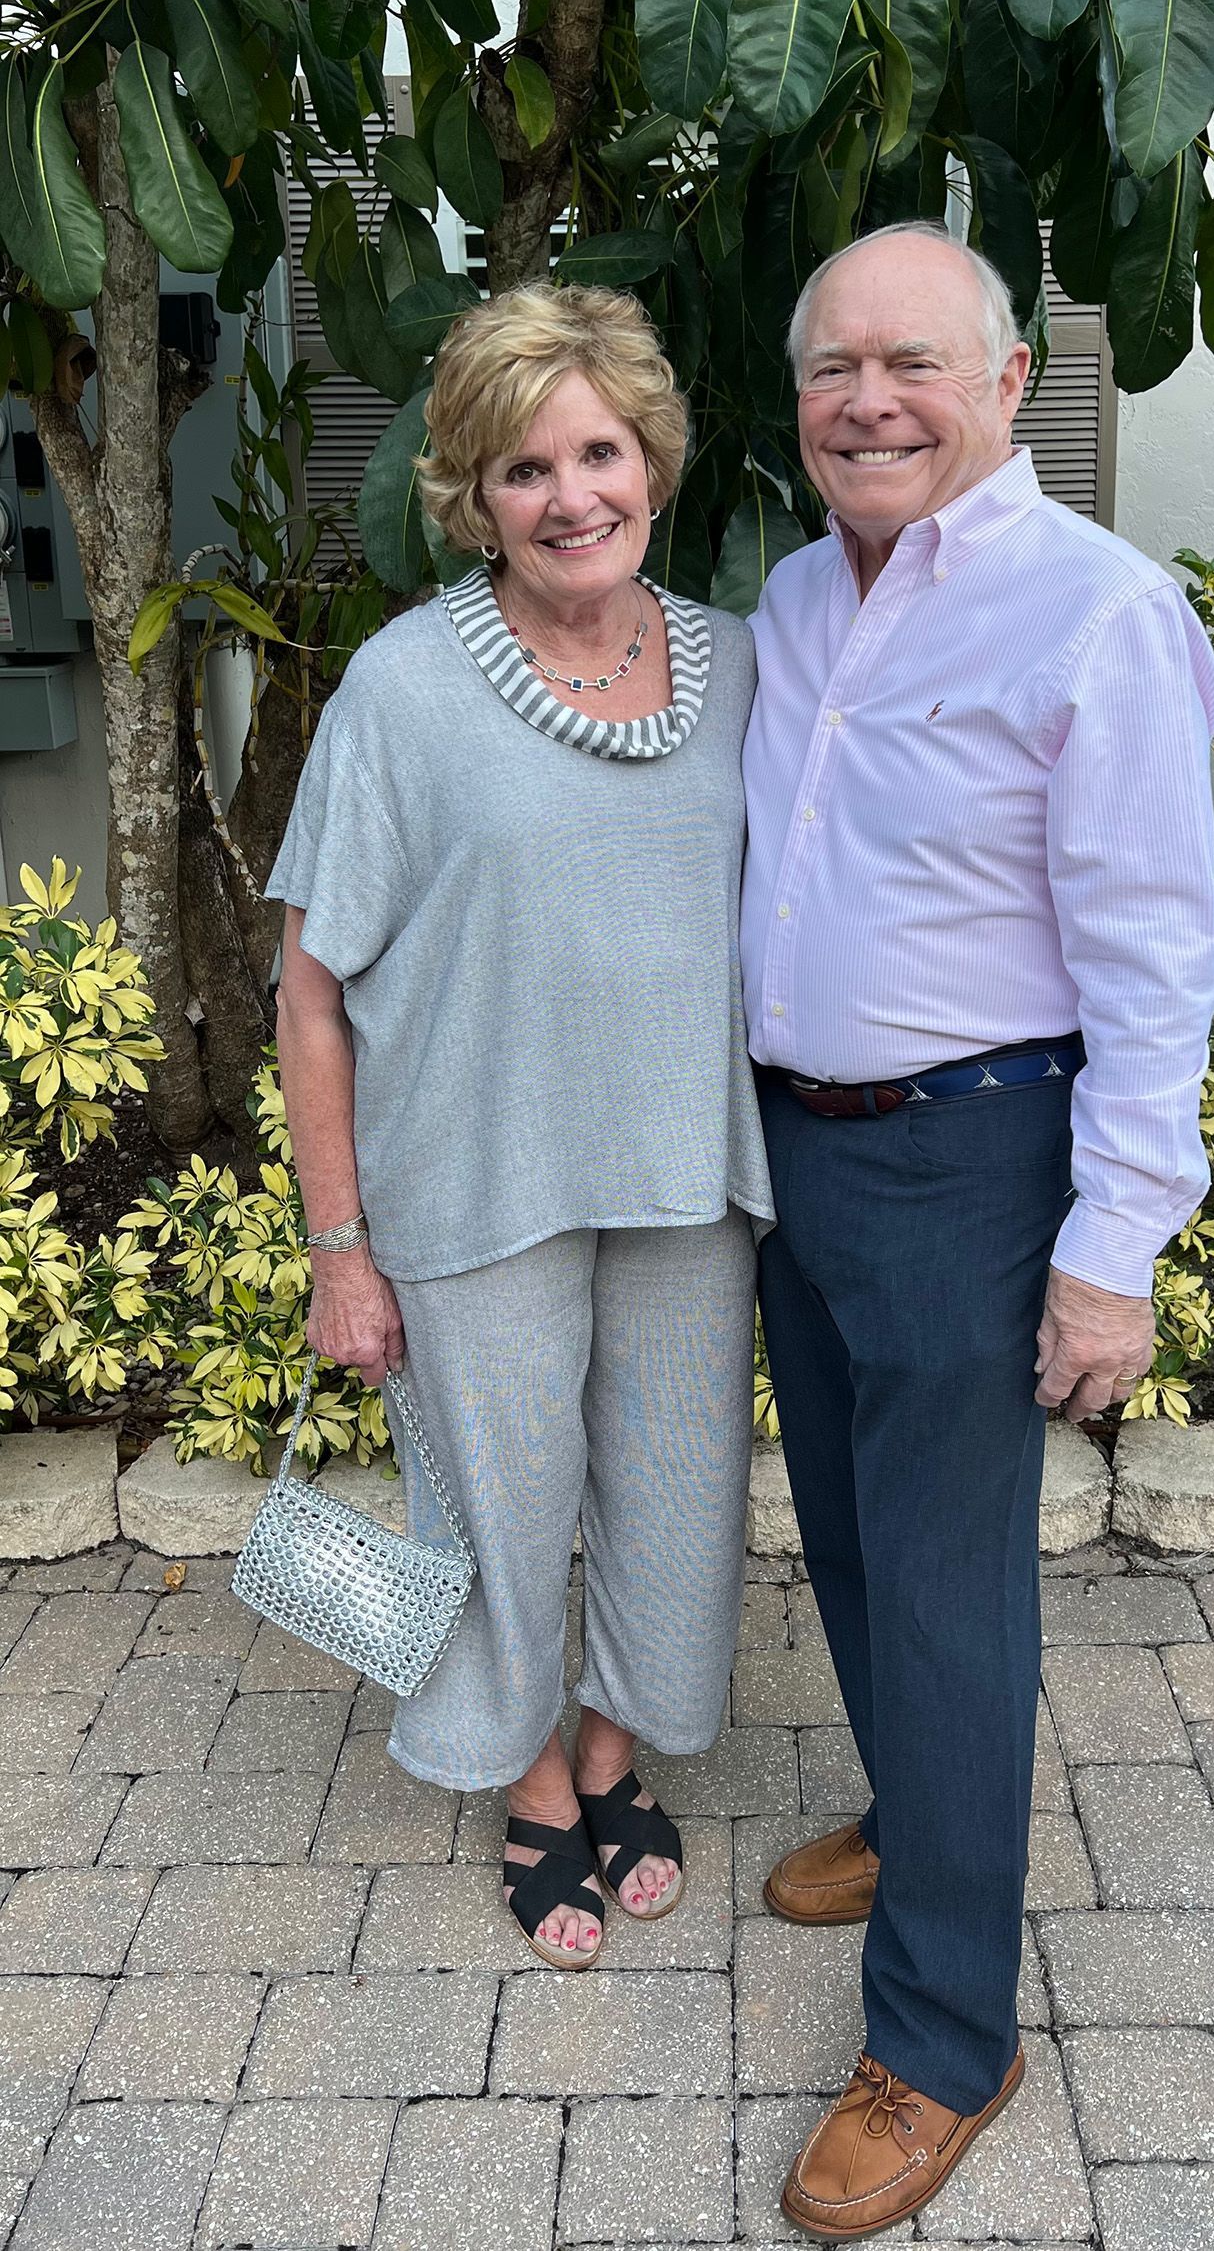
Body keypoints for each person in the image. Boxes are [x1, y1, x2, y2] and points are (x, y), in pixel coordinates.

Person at [743, 222, 1214, 2237]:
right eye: (834, 368)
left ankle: (945, 2033)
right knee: (853, 1537)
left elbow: (1152, 947)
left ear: (1010, 382)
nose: (871, 400)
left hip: (972, 1157)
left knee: (949, 1589)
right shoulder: (782, 598)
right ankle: (924, 1812)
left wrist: (1117, 1243)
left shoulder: (1096, 611)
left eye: (915, 363)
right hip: (795, 1155)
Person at [269, 281, 774, 1971]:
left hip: (687, 1183)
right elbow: (311, 990)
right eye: (521, 469)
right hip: (474, 1189)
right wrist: (339, 1251)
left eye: (600, 452)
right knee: (497, 1510)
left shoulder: (744, 668)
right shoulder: (405, 695)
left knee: (680, 1495)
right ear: (468, 494)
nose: (571, 498)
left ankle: (621, 1744)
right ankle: (540, 1780)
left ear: (654, 459)